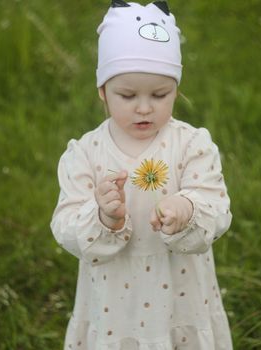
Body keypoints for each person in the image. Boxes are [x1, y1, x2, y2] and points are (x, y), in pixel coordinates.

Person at [50, 1, 233, 348]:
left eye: (160, 94)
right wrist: (104, 217)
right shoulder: (86, 154)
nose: (145, 107)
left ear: (176, 89)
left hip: (180, 297)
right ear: (103, 92)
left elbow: (217, 207)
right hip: (113, 304)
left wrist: (187, 209)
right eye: (128, 95)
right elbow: (66, 225)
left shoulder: (192, 145)